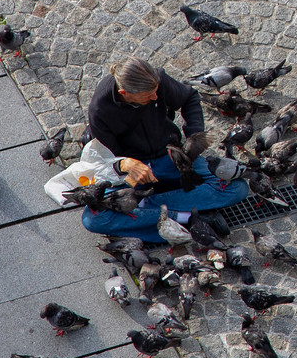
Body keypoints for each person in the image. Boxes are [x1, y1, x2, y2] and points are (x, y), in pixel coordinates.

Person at [79, 57, 249, 242]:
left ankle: (147, 207)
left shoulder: (156, 80)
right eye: (148, 96)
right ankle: (186, 218)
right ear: (124, 93)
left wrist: (192, 139)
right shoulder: (100, 110)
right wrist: (125, 164)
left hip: (169, 157)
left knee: (237, 187)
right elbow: (105, 159)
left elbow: (190, 97)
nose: (155, 98)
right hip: (135, 170)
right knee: (92, 219)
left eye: (156, 92)